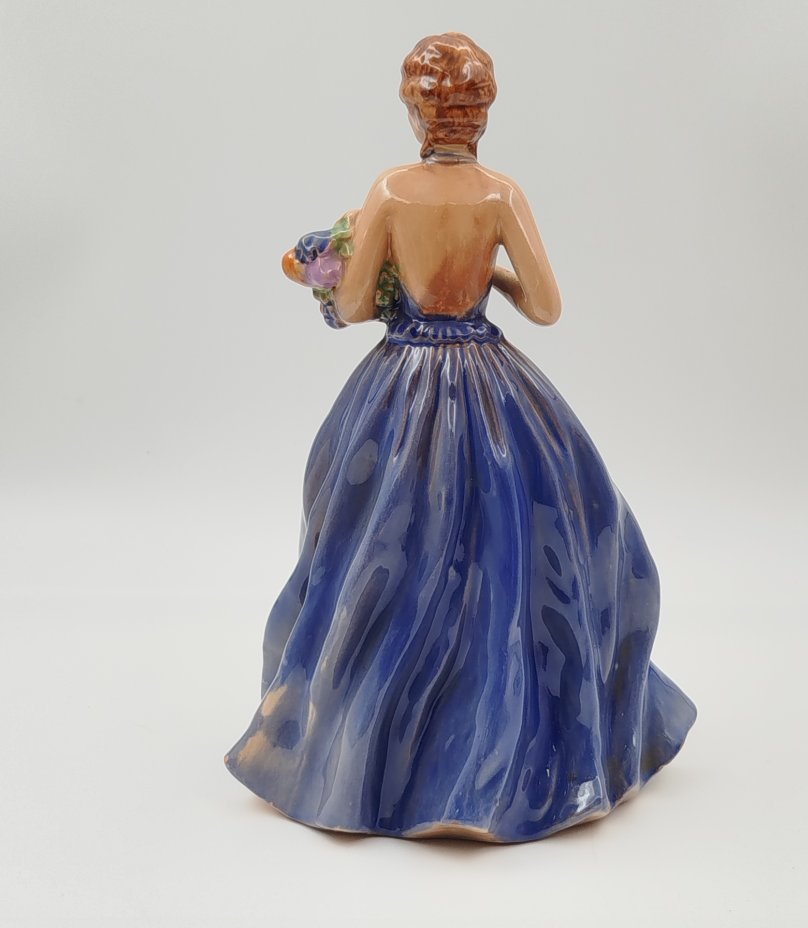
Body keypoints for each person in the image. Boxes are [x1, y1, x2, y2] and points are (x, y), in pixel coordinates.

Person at [225, 32, 696, 843]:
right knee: (518, 547)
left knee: (377, 551)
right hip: (489, 376)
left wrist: (350, 269)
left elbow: (356, 309)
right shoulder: (500, 195)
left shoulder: (390, 190)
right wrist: (486, 277)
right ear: (483, 113)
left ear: (415, 111)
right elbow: (545, 306)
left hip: (400, 386)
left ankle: (364, 752)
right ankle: (507, 749)